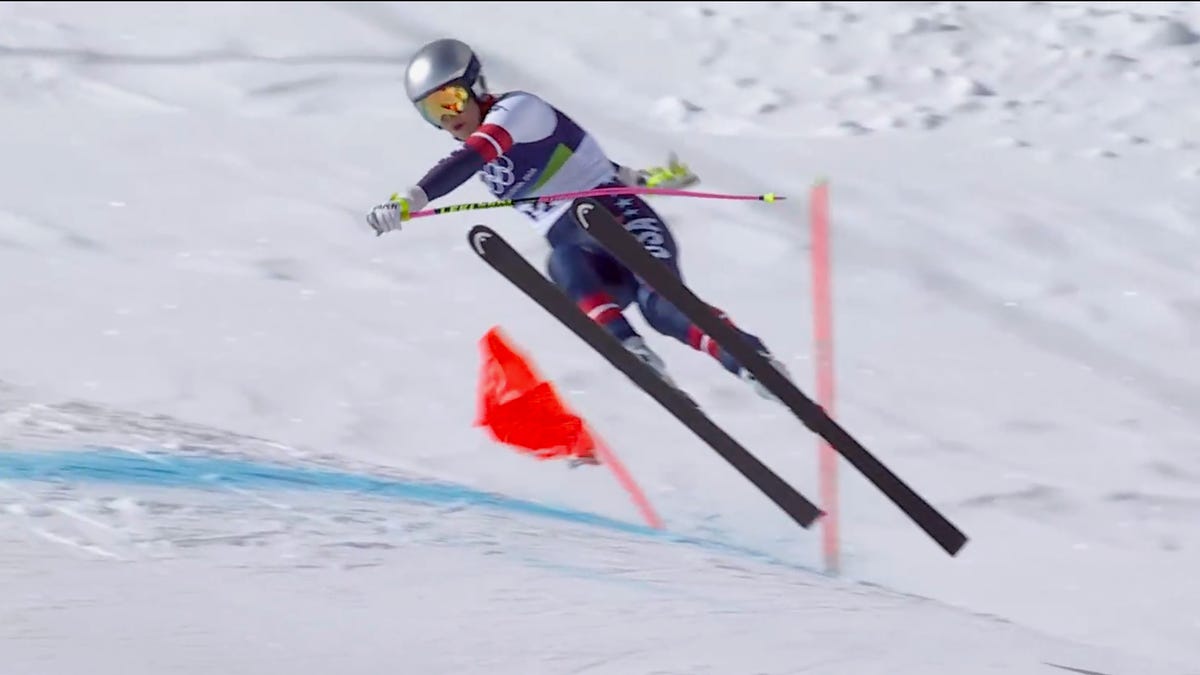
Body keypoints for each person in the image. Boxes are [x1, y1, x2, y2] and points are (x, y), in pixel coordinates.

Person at [366, 38, 790, 402]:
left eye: (451, 100)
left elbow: (472, 156)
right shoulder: (482, 152)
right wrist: (637, 174)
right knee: (561, 262)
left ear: (476, 86)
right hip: (586, 258)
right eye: (432, 112)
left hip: (617, 219)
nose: (447, 117)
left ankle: (750, 360)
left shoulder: (518, 111)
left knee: (661, 308)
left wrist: (410, 200)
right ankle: (628, 348)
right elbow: (570, 154)